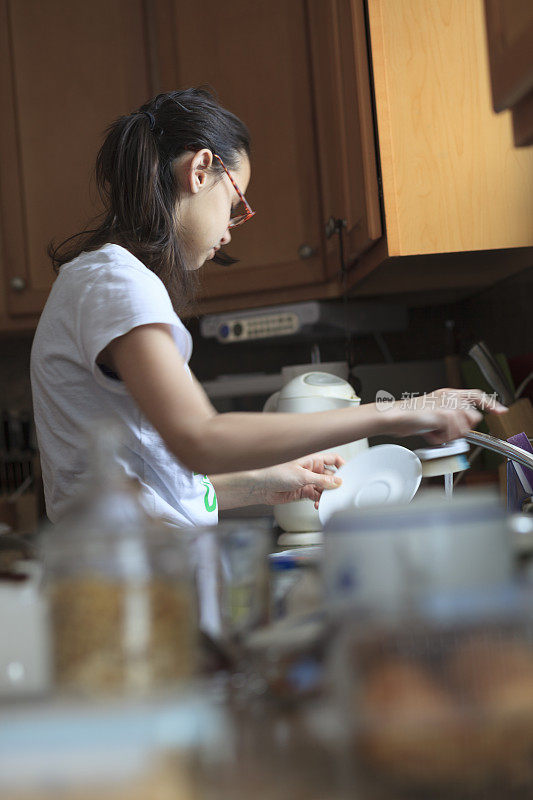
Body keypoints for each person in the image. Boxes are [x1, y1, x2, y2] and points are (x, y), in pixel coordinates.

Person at [30, 88, 506, 528]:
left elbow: (151, 477)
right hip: (130, 591)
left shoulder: (103, 279)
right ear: (200, 172)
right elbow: (201, 440)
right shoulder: (116, 281)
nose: (231, 229)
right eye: (236, 203)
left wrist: (261, 484)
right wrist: (402, 413)